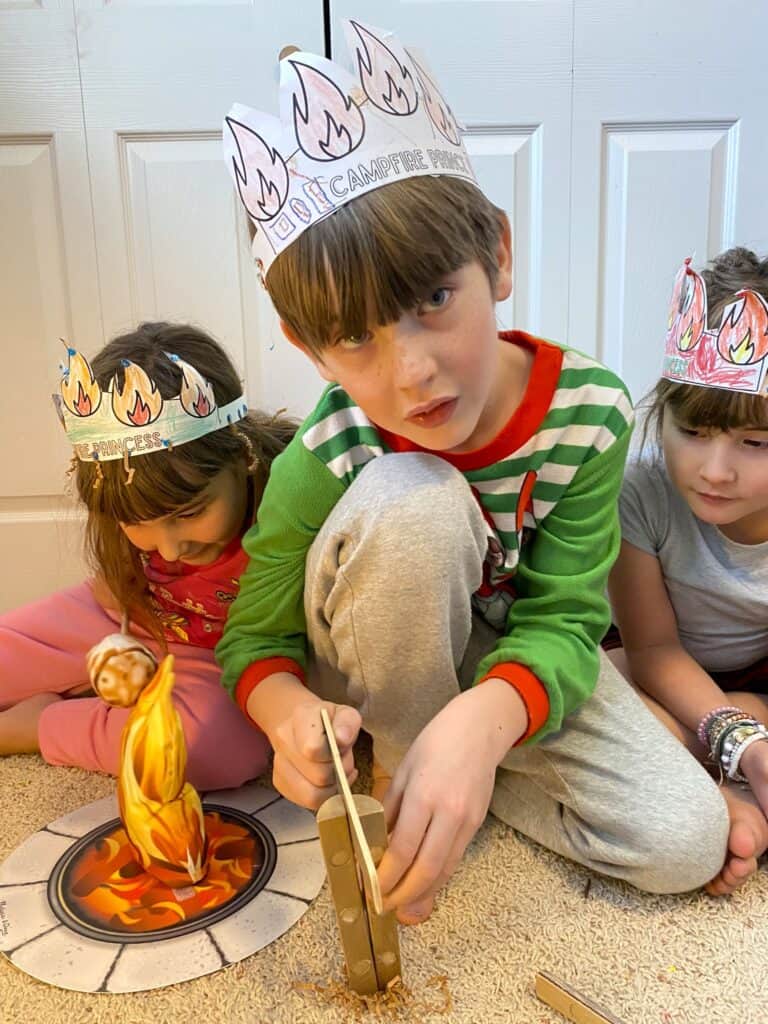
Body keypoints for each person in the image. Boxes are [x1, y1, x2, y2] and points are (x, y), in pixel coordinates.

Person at [218, 20, 729, 923]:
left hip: (507, 662)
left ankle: (454, 776)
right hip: (374, 665)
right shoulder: (334, 447)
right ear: (309, 348)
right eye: (354, 338)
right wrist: (283, 710)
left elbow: (568, 618)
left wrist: (486, 724)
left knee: (685, 841)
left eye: (431, 302)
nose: (413, 372)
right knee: (415, 499)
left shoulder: (591, 415)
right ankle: (410, 755)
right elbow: (252, 641)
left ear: (496, 253)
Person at [0, 321, 295, 791]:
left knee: (204, 750)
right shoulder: (137, 536)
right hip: (127, 614)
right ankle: (86, 682)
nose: (172, 548)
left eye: (192, 512)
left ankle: (38, 721)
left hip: (219, 656)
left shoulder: (293, 499)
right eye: (138, 522)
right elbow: (113, 588)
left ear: (243, 458)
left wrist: (45, 730)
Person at [608, 247, 768, 897]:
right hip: (657, 670)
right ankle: (729, 785)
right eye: (694, 431)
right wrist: (742, 742)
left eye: (753, 444)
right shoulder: (639, 491)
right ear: (662, 413)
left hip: (758, 679)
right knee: (580, 693)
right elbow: (653, 650)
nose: (715, 470)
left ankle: (722, 784)